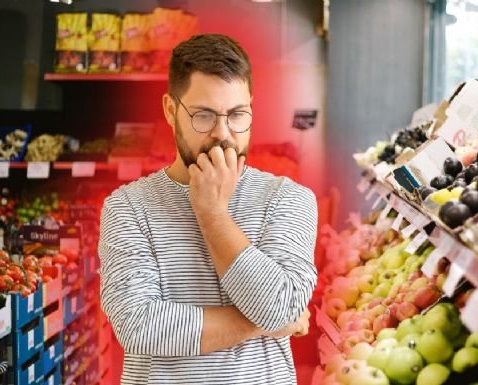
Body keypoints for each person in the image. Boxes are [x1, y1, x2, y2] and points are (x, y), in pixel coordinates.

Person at [98, 34, 318, 385]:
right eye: (204, 115)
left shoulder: (288, 198)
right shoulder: (127, 207)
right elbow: (138, 326)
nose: (223, 133)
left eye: (236, 114)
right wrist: (266, 323)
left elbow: (281, 308)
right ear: (171, 110)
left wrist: (213, 214)